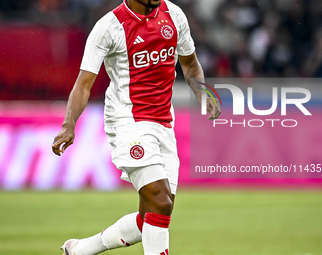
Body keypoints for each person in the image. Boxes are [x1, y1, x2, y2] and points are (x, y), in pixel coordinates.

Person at [52, 0, 221, 255]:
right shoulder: (109, 27)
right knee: (160, 200)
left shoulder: (174, 15)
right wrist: (69, 124)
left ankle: (80, 250)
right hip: (127, 121)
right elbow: (84, 83)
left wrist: (203, 95)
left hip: (164, 122)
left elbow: (190, 63)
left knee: (154, 215)